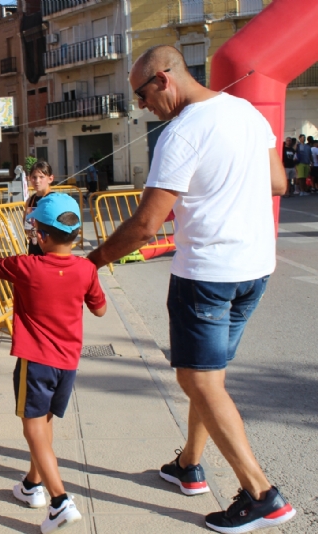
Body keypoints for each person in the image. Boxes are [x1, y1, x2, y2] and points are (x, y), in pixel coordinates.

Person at [87, 45, 294, 533]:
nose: (140, 106)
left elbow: (144, 225)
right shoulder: (245, 111)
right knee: (209, 375)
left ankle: (261, 494)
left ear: (163, 79)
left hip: (207, 273)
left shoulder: (179, 134)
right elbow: (279, 183)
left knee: (198, 379)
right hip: (255, 267)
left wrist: (90, 263)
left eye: (140, 94)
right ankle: (188, 465)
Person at [0, 193, 106, 534]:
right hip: (68, 363)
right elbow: (100, 309)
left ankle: (60, 501)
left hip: (36, 361)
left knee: (32, 426)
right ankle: (32, 485)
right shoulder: (86, 268)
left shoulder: (26, 266)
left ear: (41, 236)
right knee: (44, 421)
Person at [24, 160, 54, 256]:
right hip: (34, 245)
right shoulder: (30, 200)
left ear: (50, 178)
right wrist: (29, 229)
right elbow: (25, 222)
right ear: (29, 178)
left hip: (51, 246)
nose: (37, 181)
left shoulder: (53, 199)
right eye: (34, 177)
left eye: (41, 177)